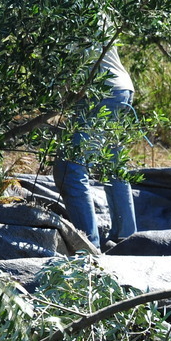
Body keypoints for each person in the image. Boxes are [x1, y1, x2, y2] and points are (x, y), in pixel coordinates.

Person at [52, 42, 137, 252]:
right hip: (121, 89)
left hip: (100, 93)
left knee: (70, 170)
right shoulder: (102, 9)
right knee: (112, 166)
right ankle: (126, 239)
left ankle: (88, 249)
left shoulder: (70, 9)